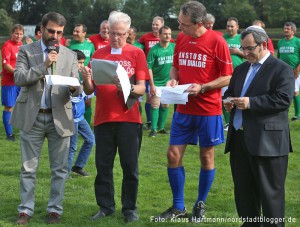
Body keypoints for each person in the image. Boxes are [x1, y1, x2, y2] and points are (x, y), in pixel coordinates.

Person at [156, 1, 233, 222]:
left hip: (208, 109)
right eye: (179, 23)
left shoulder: (217, 41)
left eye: (184, 24)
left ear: (199, 23)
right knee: (172, 155)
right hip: (183, 107)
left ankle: (200, 203)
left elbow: (228, 76)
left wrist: (204, 87)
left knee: (206, 157)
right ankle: (178, 207)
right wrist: (173, 78)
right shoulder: (181, 38)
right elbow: (176, 65)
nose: (180, 28)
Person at [11, 12, 81, 225]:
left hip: (59, 118)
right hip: (32, 117)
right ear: (41, 29)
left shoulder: (69, 54)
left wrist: (73, 87)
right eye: (51, 31)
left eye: (59, 32)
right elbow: (19, 78)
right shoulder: (26, 50)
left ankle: (54, 210)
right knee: (28, 168)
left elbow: (77, 89)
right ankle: (25, 210)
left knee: (59, 169)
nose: (55, 36)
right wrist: (43, 65)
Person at [81, 11, 149, 222]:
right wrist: (86, 78)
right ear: (107, 31)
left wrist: (127, 87)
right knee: (103, 166)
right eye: (112, 33)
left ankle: (129, 209)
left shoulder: (137, 53)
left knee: (130, 167)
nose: (116, 37)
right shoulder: (99, 54)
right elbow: (90, 89)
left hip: (129, 119)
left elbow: (142, 88)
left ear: (128, 32)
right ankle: (105, 206)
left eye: (120, 33)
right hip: (103, 118)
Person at [224, 25, 294, 227]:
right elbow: (231, 91)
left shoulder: (281, 69)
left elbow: (282, 100)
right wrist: (228, 101)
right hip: (239, 139)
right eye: (243, 49)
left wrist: (251, 103)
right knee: (244, 192)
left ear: (263, 44)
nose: (245, 53)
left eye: (249, 49)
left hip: (268, 142)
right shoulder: (241, 68)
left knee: (270, 194)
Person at [68, 49, 95, 177]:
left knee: (90, 140)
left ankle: (78, 167)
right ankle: (64, 173)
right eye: (80, 62)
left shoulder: (80, 77)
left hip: (80, 117)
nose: (82, 66)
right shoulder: (67, 78)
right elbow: (72, 98)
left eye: (83, 62)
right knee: (72, 147)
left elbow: (86, 96)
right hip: (71, 118)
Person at [138, 16, 166, 130]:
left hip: (163, 73)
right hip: (149, 73)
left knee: (163, 100)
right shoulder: (145, 38)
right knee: (150, 98)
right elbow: (137, 45)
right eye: (153, 24)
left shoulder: (168, 38)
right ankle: (150, 122)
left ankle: (160, 124)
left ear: (162, 26)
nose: (155, 26)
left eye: (157, 24)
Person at [147, 25, 175, 137]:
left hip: (168, 82)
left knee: (165, 105)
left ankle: (161, 128)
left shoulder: (174, 47)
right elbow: (148, 67)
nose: (167, 36)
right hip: (157, 83)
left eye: (169, 34)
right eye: (165, 34)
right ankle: (153, 129)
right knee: (155, 105)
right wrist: (152, 84)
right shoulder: (154, 50)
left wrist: (174, 79)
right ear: (159, 35)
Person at [68, 23, 95, 125]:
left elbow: (93, 60)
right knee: (73, 103)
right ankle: (73, 124)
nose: (74, 33)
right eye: (74, 31)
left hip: (86, 78)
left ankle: (85, 125)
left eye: (77, 31)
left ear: (84, 33)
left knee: (88, 103)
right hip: (73, 79)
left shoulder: (90, 45)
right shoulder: (69, 44)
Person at [1, 24, 24, 141]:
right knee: (9, 107)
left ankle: (24, 131)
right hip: (9, 82)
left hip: (21, 82)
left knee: (23, 105)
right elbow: (6, 65)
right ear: (11, 34)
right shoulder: (7, 45)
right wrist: (18, 73)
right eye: (16, 33)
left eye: (20, 34)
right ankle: (9, 134)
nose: (18, 36)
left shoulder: (22, 46)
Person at [222, 17, 245, 130]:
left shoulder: (242, 38)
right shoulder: (222, 38)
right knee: (225, 97)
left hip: (239, 73)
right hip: (225, 73)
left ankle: (240, 121)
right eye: (228, 26)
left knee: (238, 97)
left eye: (232, 26)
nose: (229, 28)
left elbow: (249, 55)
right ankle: (227, 123)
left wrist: (238, 52)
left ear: (237, 27)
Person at [277, 22, 300, 121]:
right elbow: (278, 57)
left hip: (295, 71)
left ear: (293, 31)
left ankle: (297, 114)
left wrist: (297, 69)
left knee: (295, 92)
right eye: (285, 28)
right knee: (282, 91)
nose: (285, 30)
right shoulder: (280, 42)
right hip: (282, 71)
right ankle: (282, 112)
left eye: (288, 29)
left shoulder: (297, 41)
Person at [126, 26, 145, 114]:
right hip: (128, 75)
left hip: (138, 76)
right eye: (127, 33)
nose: (127, 36)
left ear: (134, 35)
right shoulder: (124, 46)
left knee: (138, 101)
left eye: (130, 34)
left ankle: (139, 117)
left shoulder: (140, 46)